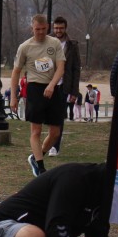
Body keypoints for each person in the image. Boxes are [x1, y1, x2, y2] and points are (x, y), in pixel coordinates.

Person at [10, 14, 65, 177]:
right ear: (32, 28)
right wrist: (13, 96)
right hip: (35, 88)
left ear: (47, 27)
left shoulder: (54, 43)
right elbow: (16, 72)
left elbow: (61, 68)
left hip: (53, 87)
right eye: (37, 29)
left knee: (55, 133)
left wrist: (52, 85)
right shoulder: (25, 47)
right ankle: (40, 168)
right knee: (36, 131)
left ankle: (36, 156)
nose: (40, 32)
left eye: (43, 29)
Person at [48, 17, 81, 157]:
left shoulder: (72, 45)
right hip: (48, 83)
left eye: (61, 28)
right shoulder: (47, 41)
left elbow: (76, 69)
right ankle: (53, 138)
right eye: (56, 28)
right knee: (49, 115)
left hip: (63, 85)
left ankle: (55, 146)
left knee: (58, 116)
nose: (58, 30)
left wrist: (74, 91)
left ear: (65, 28)